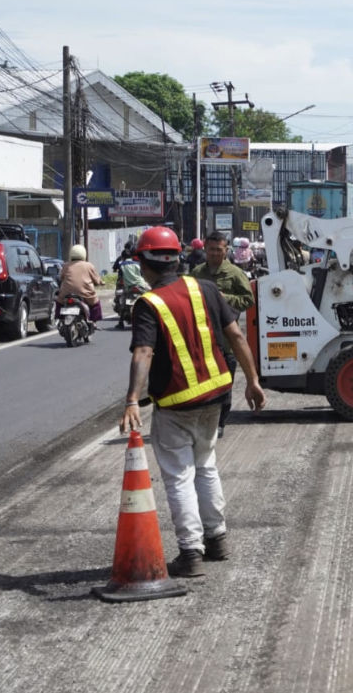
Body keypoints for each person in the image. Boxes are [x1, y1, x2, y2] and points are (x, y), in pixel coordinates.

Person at [118, 226, 266, 577]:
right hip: (215, 394)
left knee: (180, 476)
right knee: (206, 466)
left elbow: (143, 351)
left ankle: (191, 553)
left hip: (176, 402)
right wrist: (253, 381)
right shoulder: (206, 288)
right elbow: (236, 335)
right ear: (178, 258)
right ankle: (217, 539)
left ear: (143, 263)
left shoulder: (149, 303)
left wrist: (132, 400)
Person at [189, 231, 255, 438]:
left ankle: (220, 423)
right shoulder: (197, 273)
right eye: (211, 249)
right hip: (201, 341)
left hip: (226, 343)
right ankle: (202, 423)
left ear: (226, 250)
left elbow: (248, 300)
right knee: (201, 386)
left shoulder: (235, 274)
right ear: (205, 250)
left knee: (224, 387)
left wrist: (224, 298)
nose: (215, 253)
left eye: (219, 249)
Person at [57, 244, 103, 326]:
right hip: (85, 294)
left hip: (66, 294)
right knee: (96, 303)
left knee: (59, 302)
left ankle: (59, 318)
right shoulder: (89, 266)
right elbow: (97, 280)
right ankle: (94, 321)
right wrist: (100, 282)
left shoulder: (65, 265)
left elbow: (61, 278)